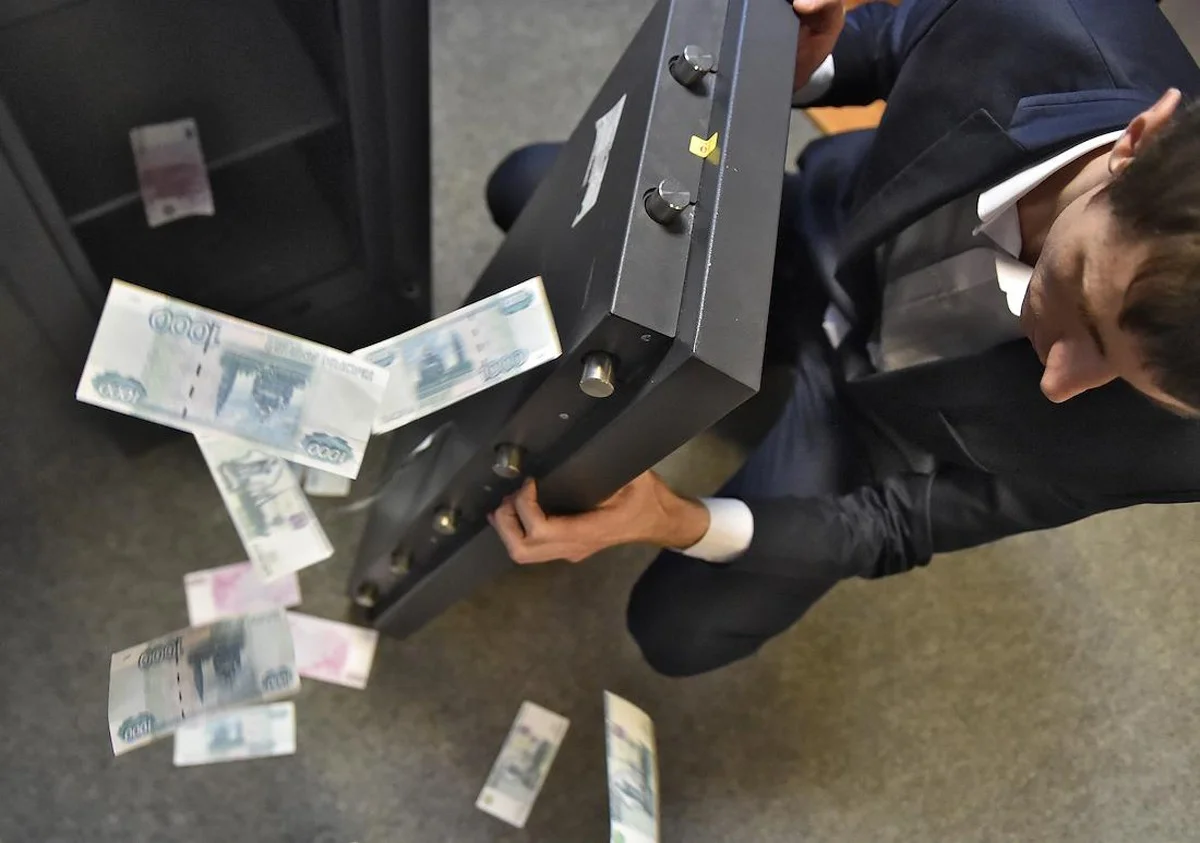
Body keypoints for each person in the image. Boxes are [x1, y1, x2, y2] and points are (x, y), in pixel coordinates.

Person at [484, 0, 1200, 677]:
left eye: (1122, 379)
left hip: (887, 421)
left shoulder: (1184, 450)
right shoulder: (1045, 19)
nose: (1057, 386)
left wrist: (675, 519)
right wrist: (790, 63)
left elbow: (902, 525)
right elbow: (886, 47)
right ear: (1138, 142)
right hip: (827, 233)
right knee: (526, 187)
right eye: (1083, 305)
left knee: (680, 631)